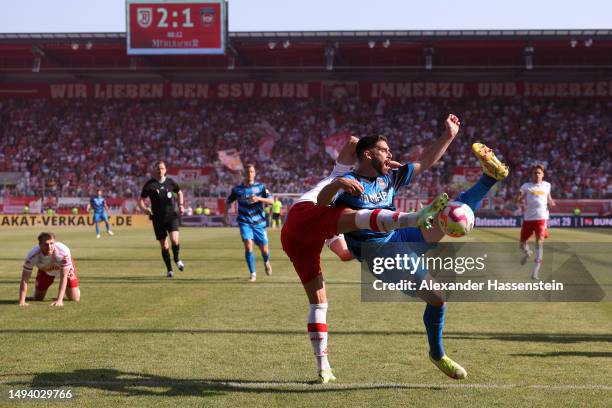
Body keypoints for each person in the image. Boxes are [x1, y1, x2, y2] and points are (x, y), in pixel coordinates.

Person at [319, 116, 510, 381]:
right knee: (438, 296)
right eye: (384, 150)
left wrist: (449, 135)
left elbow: (426, 161)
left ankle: (489, 179)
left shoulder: (391, 178)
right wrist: (336, 185)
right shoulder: (350, 183)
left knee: (451, 212)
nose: (390, 154)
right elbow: (321, 204)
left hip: (400, 234)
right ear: (367, 154)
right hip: (380, 254)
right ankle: (438, 354)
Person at [281, 136, 444, 383]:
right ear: (365, 154)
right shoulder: (342, 175)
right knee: (355, 215)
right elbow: (351, 145)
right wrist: (345, 176)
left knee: (319, 304)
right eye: (384, 150)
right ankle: (412, 217)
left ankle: (324, 368)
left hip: (298, 237)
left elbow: (346, 255)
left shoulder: (345, 173)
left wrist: (386, 160)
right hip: (306, 214)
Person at [224, 164, 274, 282]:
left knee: (265, 250)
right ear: (243, 174)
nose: (249, 174)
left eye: (251, 172)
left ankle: (266, 261)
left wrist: (259, 199)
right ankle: (253, 274)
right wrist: (225, 216)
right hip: (244, 221)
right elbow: (228, 202)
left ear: (255, 173)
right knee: (248, 244)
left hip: (259, 223)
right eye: (247, 172)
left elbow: (271, 200)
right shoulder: (237, 189)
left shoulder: (261, 187)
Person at [139, 161, 185, 278]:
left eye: (162, 168)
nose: (160, 171)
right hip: (158, 219)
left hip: (171, 216)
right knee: (164, 245)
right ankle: (169, 270)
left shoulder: (171, 182)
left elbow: (179, 193)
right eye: (158, 169)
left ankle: (177, 258)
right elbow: (141, 200)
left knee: (174, 240)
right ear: (155, 170)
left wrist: (180, 205)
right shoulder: (150, 184)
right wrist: (145, 209)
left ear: (165, 170)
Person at [19, 232, 80, 307]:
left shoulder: (63, 252)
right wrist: (22, 301)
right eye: (46, 244)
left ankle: (74, 291)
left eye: (52, 243)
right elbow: (25, 279)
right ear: (40, 245)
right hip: (46, 270)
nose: (49, 247)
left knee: (74, 298)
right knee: (38, 298)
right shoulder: (32, 255)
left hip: (63, 269)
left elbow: (63, 277)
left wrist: (59, 300)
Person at [516, 164, 555, 280]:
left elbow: (549, 198)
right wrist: (518, 197)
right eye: (535, 173)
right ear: (531, 175)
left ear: (543, 174)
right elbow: (518, 198)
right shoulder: (526, 186)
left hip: (542, 218)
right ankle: (527, 252)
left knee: (539, 242)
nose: (537, 174)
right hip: (528, 218)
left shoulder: (547, 185)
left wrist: (551, 202)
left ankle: (535, 272)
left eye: (539, 173)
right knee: (522, 244)